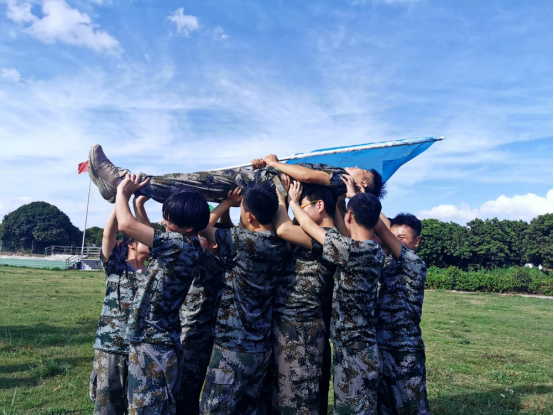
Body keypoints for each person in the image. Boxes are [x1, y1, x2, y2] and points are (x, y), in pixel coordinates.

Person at [115, 174, 211, 415]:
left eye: (169, 220)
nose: (163, 222)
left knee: (146, 407)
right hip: (160, 339)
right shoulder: (192, 246)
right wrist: (139, 206)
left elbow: (126, 225)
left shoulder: (176, 244)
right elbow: (151, 237)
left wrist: (122, 192)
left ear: (187, 228)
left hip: (152, 342)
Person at [289, 181, 386, 415]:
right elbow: (347, 233)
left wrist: (292, 200)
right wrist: (347, 200)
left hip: (354, 352)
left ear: (350, 216)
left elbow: (307, 225)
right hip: (363, 347)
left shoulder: (350, 250)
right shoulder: (375, 250)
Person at [199, 182, 287, 414]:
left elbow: (203, 225)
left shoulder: (241, 240)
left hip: (232, 347)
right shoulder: (282, 244)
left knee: (215, 409)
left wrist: (228, 202)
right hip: (260, 348)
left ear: (249, 216)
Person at [86, 145, 386, 205]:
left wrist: (275, 163)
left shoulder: (340, 180)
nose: (357, 167)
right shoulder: (341, 187)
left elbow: (306, 176)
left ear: (363, 183)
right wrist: (268, 167)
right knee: (195, 188)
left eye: (363, 171)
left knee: (194, 182)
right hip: (262, 183)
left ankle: (123, 181)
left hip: (261, 184)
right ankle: (126, 186)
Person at [271, 180, 337, 415]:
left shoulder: (328, 237)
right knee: (286, 393)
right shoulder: (309, 234)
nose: (299, 211)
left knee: (301, 398)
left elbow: (283, 229)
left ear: (320, 205)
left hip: (302, 329)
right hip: (293, 326)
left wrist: (287, 199)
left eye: (303, 205)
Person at [177, 189, 242, 415]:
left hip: (203, 337)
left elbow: (210, 227)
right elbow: (205, 228)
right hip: (196, 336)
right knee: (187, 392)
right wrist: (227, 204)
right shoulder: (208, 259)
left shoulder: (218, 261)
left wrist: (227, 204)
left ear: (214, 244)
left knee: (193, 391)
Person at [89, 197, 150, 415]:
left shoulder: (154, 272)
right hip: (111, 347)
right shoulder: (116, 267)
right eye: (142, 237)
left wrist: (140, 207)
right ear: (131, 244)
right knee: (107, 407)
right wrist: (120, 198)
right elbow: (109, 235)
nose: (150, 239)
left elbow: (158, 241)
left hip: (141, 349)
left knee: (138, 407)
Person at [374, 214, 431, 415]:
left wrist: (365, 203)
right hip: (380, 347)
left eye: (401, 238)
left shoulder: (415, 264)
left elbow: (382, 230)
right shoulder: (384, 261)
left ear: (416, 242)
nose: (393, 240)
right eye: (393, 236)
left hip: (404, 352)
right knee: (384, 408)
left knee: (411, 408)